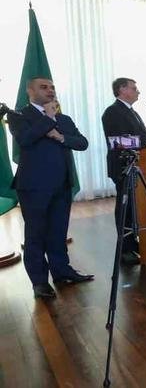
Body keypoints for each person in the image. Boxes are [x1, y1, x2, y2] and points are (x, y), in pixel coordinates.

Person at [8, 77, 92, 298]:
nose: (50, 90)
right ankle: (39, 282)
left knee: (57, 233)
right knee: (36, 235)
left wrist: (62, 136)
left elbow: (82, 143)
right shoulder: (18, 116)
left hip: (62, 185)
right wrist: (48, 117)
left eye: (52, 87)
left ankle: (62, 271)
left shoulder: (64, 118)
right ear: (30, 91)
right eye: (43, 87)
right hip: (34, 187)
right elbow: (25, 140)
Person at [101, 78, 146, 265]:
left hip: (137, 165)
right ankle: (124, 249)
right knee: (125, 208)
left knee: (134, 208)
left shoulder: (132, 112)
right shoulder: (112, 112)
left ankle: (133, 242)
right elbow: (117, 141)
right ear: (122, 90)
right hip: (123, 167)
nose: (138, 91)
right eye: (134, 88)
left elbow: (145, 134)